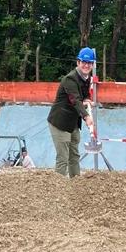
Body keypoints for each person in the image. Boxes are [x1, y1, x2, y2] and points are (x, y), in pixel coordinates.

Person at [47, 47, 95, 177]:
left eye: (89, 63)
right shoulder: (70, 79)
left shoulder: (86, 77)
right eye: (84, 62)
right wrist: (86, 116)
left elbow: (84, 95)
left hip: (73, 123)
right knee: (63, 157)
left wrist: (87, 99)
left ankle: (76, 183)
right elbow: (75, 100)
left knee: (74, 155)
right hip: (60, 122)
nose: (86, 65)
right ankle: (59, 186)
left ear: (92, 64)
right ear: (78, 62)